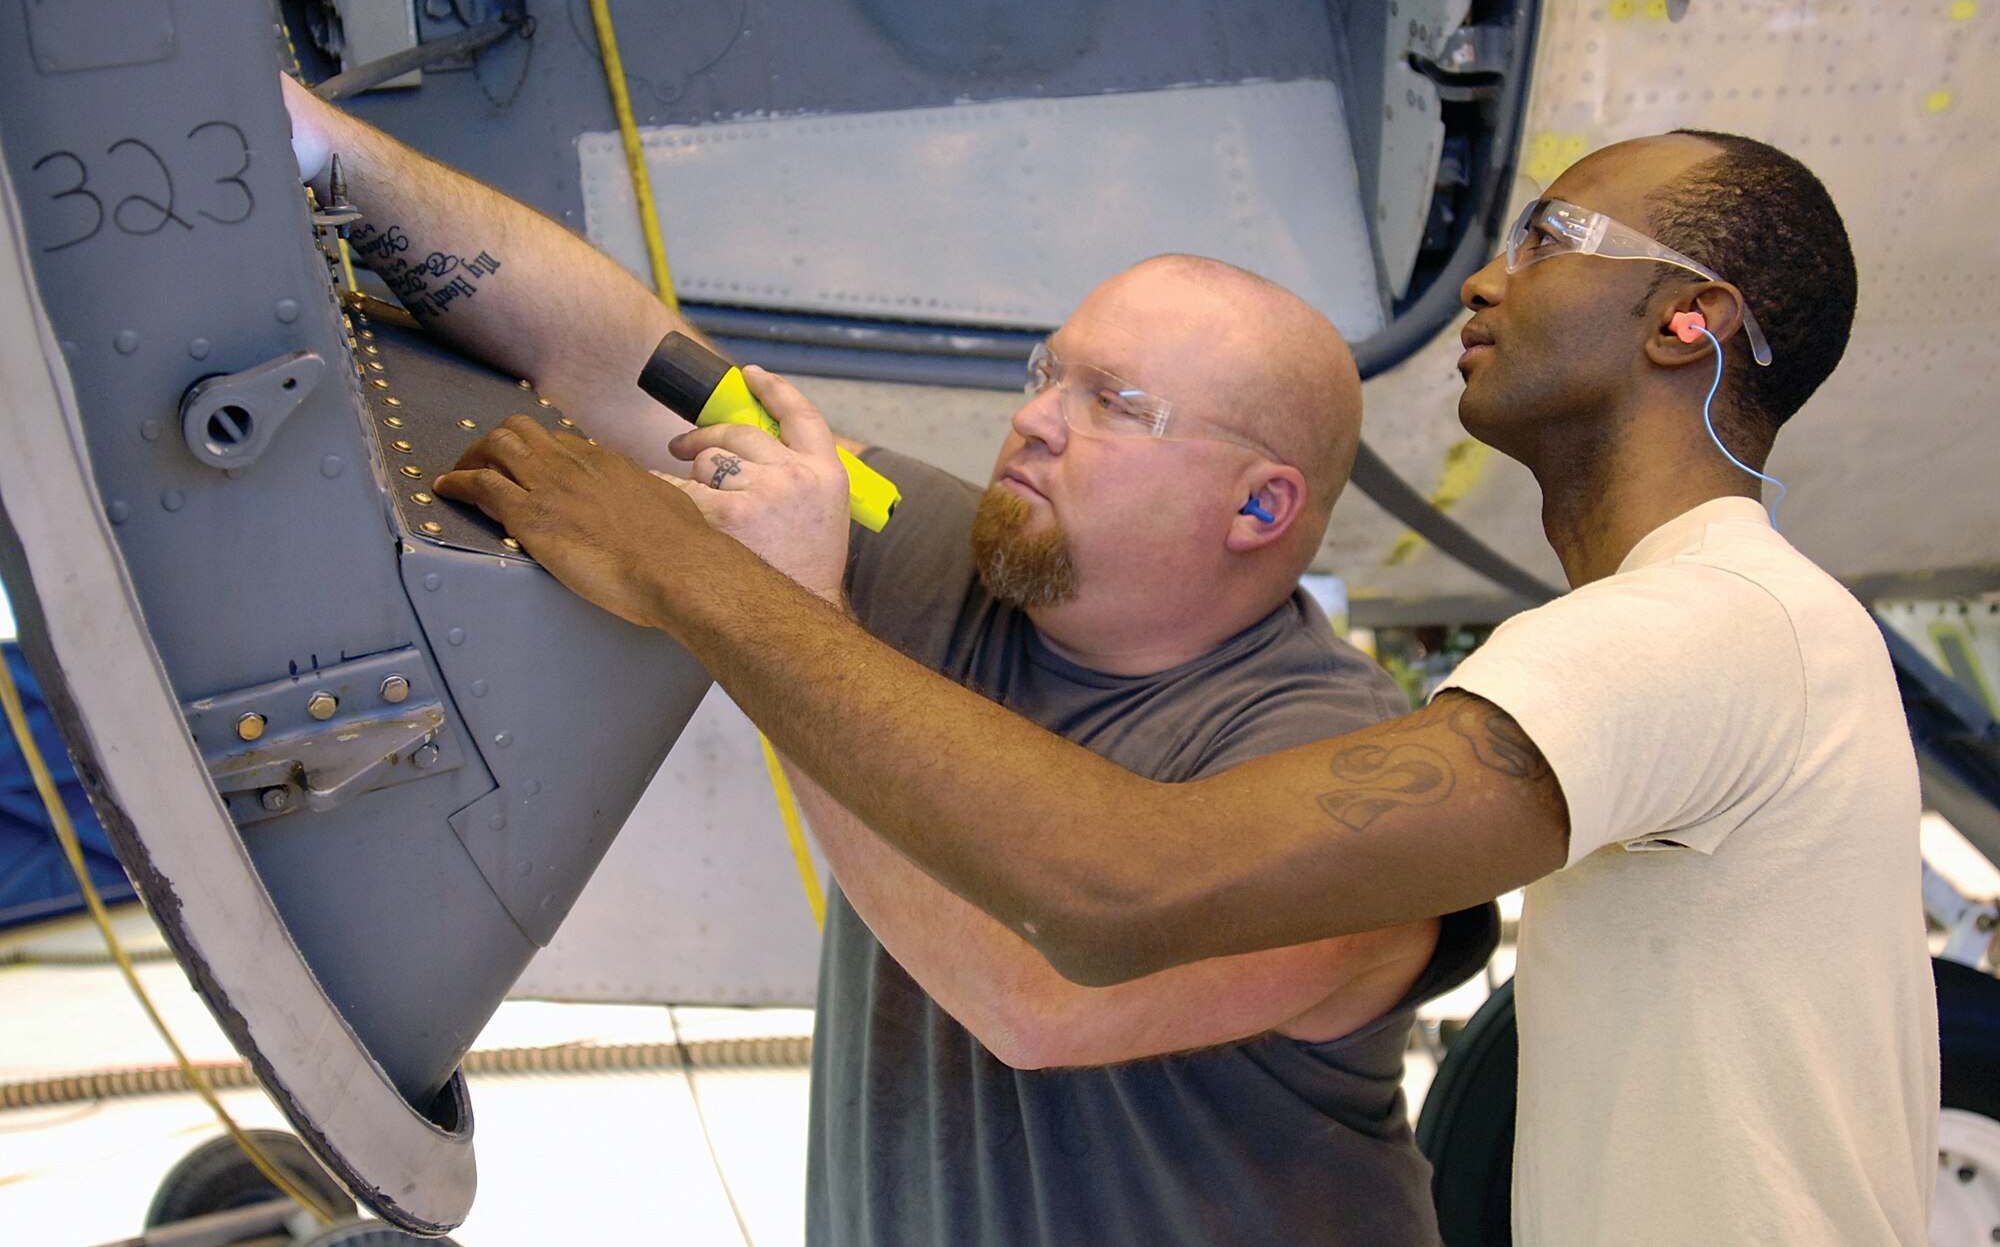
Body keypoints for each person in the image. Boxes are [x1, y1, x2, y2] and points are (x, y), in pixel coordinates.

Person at [442, 129, 1940, 1245]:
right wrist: (317, 149)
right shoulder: (1697, 636)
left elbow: (1112, 894)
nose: (1489, 272)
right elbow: (654, 369)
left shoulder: (1707, 623)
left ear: (1690, 320)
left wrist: (722, 590)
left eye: (1551, 235)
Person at [280, 77, 1499, 1245]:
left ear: (1258, 506)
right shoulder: (961, 562)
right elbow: (621, 366)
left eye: (1115, 402)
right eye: (1045, 373)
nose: (1033, 416)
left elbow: (1040, 998)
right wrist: (331, 152)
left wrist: (772, 602)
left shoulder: (1340, 777)